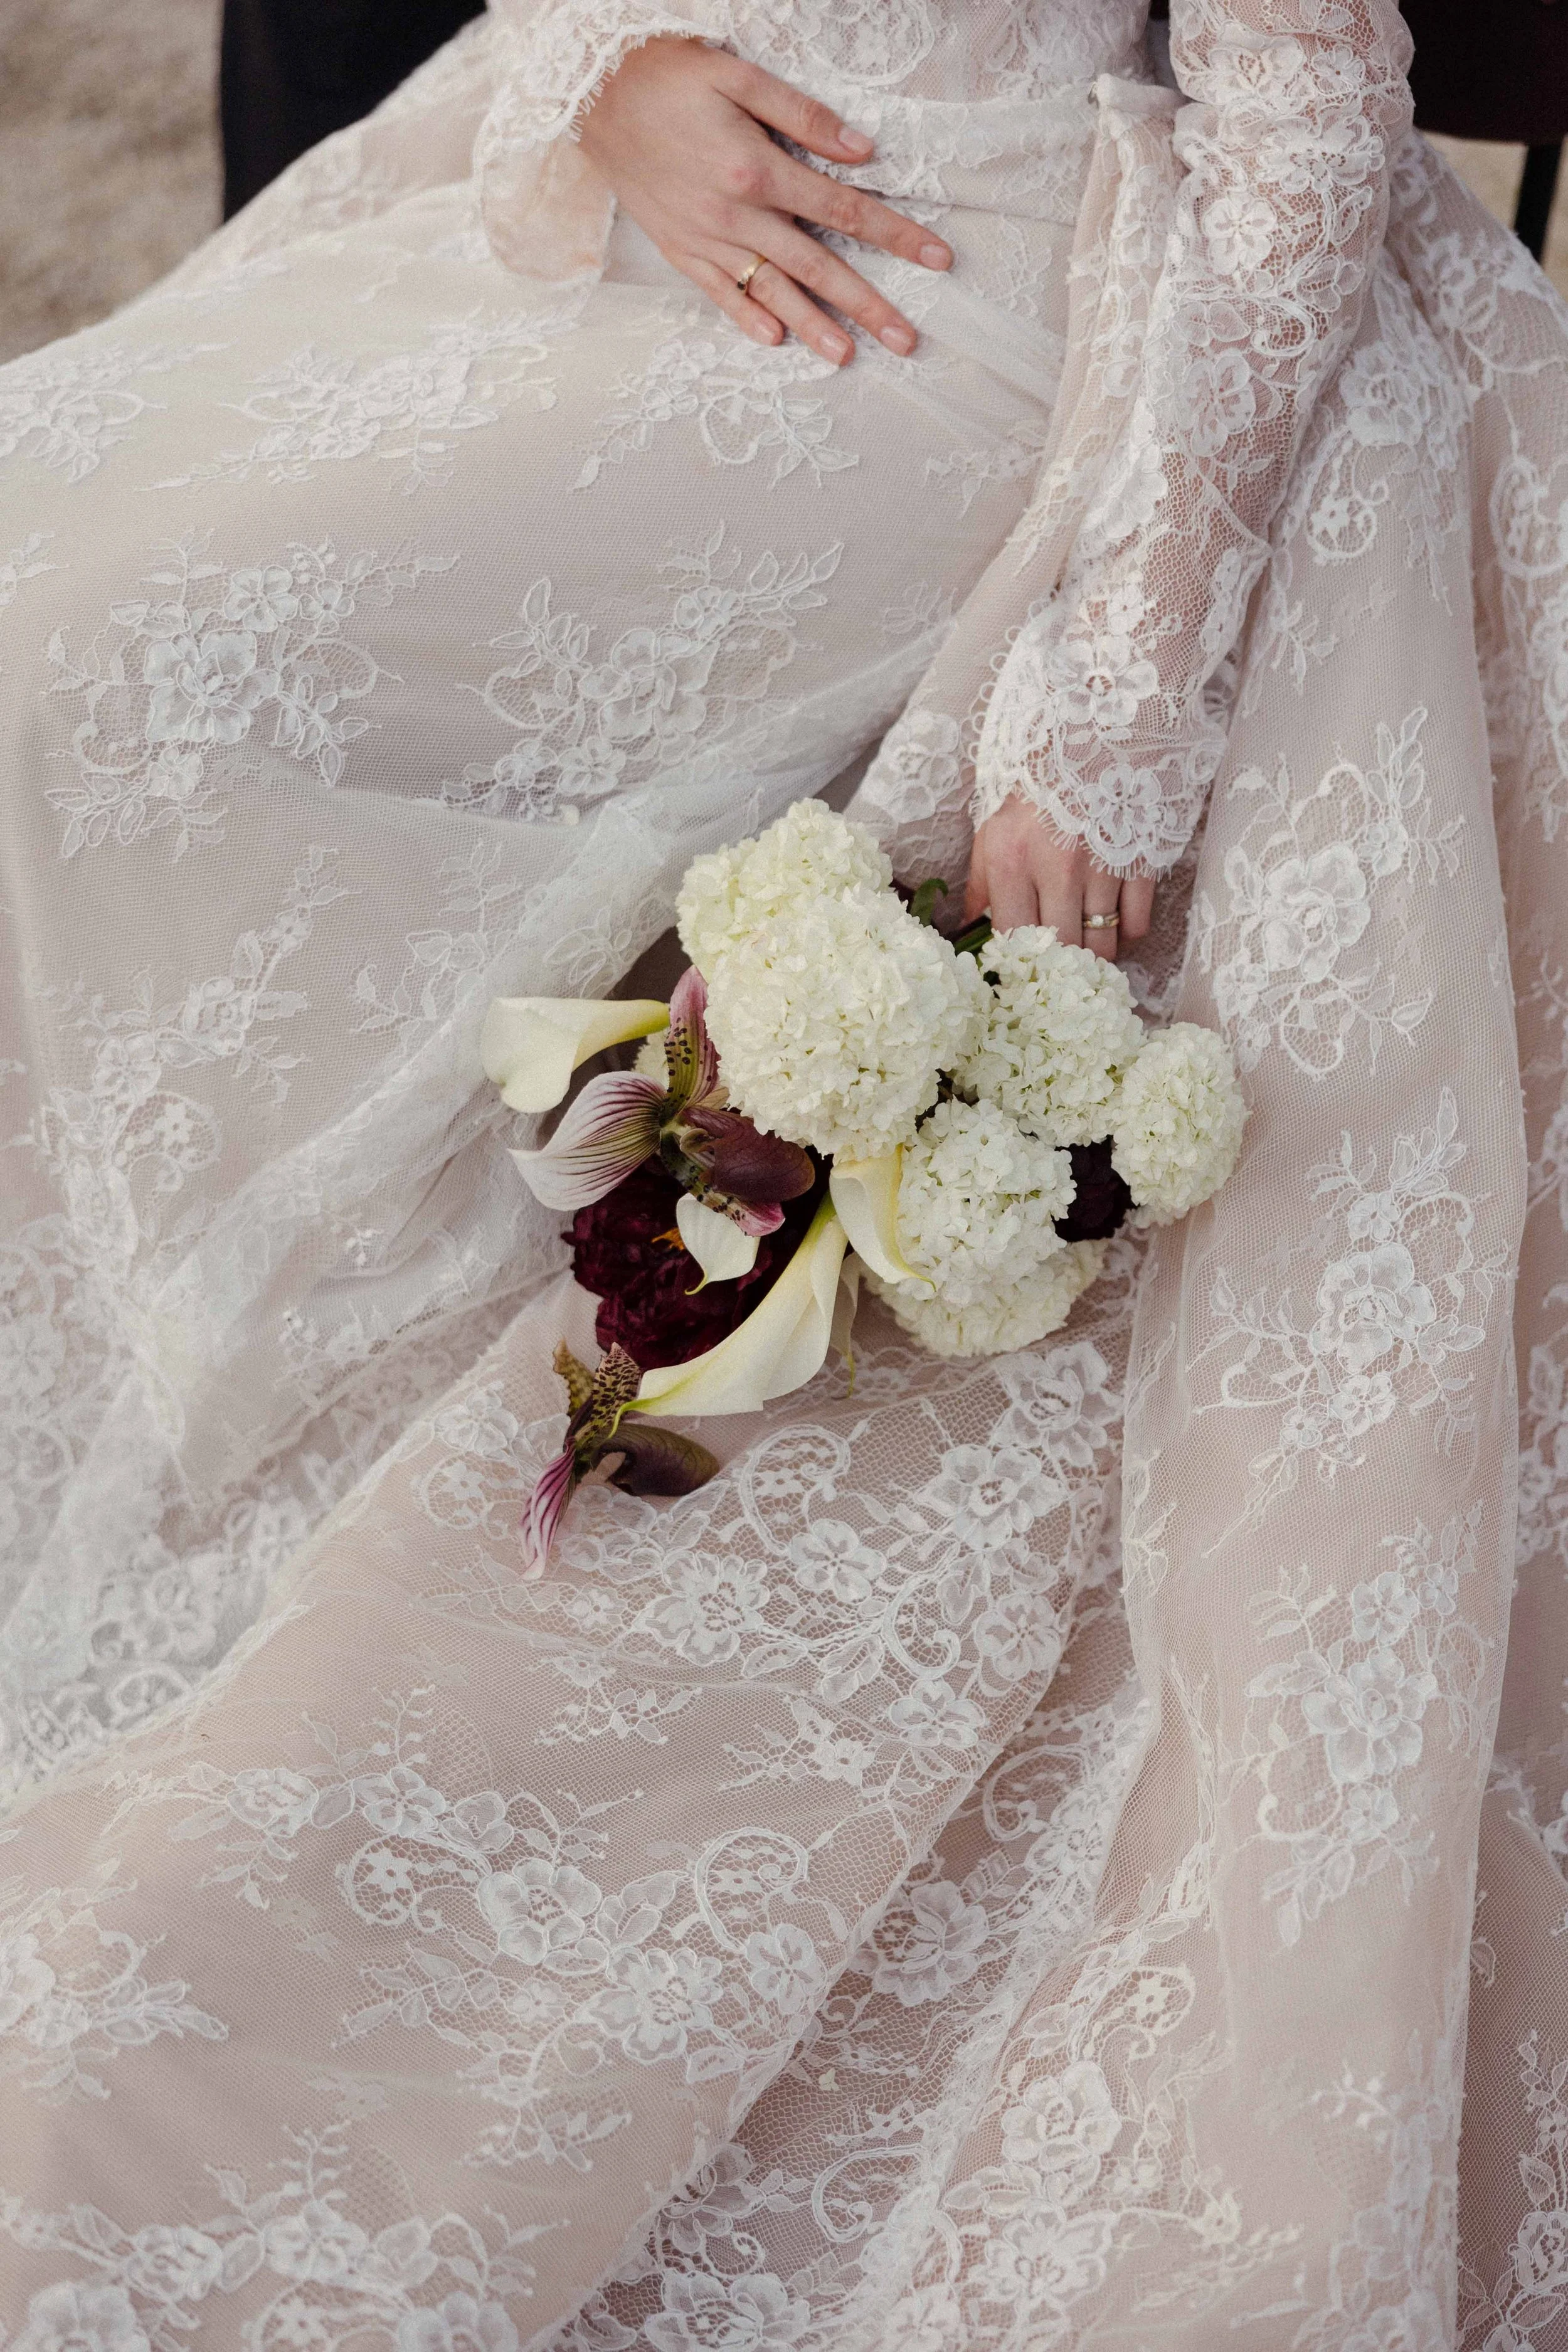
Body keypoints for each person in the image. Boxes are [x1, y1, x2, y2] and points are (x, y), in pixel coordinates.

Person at [0, 3, 1563, 2343]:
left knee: (138, 646)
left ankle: (398, 1423)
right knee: (54, 552)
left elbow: (1303, 98)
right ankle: (240, 1410)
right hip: (620, 198)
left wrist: (1122, 678)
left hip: (982, 275)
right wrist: (596, 89)